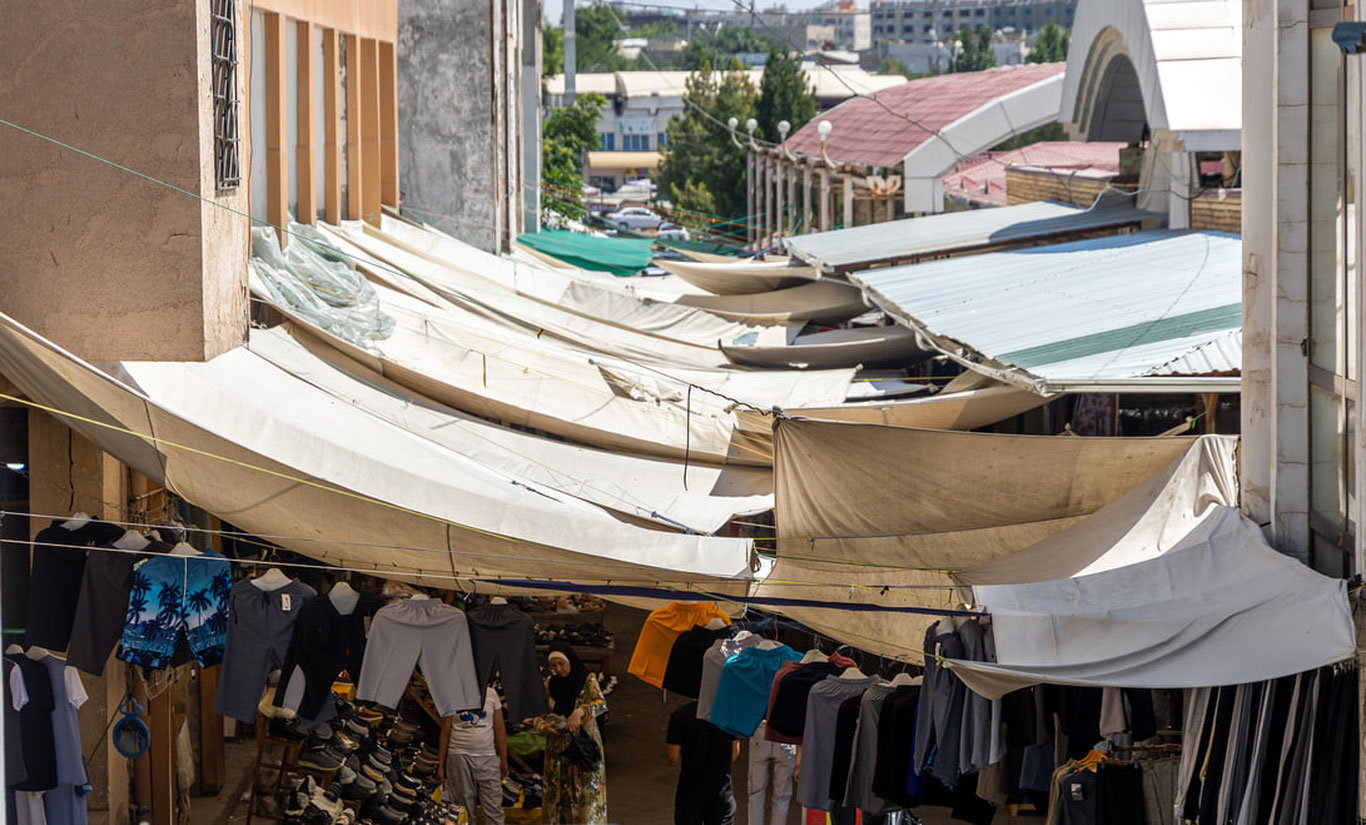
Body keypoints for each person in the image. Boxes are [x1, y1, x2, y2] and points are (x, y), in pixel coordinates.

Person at [532, 641, 608, 824]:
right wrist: (543, 727)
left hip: (583, 749)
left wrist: (581, 711)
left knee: (585, 798)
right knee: (558, 798)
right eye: (553, 665)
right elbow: (538, 713)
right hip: (558, 750)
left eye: (561, 664)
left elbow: (601, 703)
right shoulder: (550, 684)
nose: (558, 669)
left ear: (570, 661)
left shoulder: (587, 680)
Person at [439, 684, 508, 824]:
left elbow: (500, 729)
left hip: (488, 756)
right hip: (459, 756)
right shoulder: (453, 694)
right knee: (462, 807)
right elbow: (445, 732)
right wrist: (441, 765)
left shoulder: (491, 694)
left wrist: (503, 759)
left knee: (493, 805)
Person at [667, 700, 740, 825]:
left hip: (690, 791)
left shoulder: (679, 715)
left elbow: (673, 757)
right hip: (721, 790)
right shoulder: (729, 716)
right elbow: (734, 754)